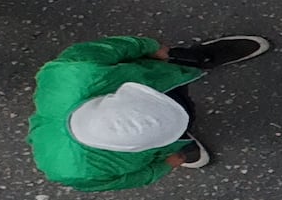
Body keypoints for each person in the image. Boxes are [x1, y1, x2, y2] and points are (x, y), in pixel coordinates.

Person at [31, 32, 268, 190]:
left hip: (155, 75)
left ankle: (195, 58)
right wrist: (164, 166)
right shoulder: (76, 172)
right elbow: (132, 179)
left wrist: (152, 48)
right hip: (150, 80)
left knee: (177, 70)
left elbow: (115, 48)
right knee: (182, 108)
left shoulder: (75, 71)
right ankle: (182, 138)